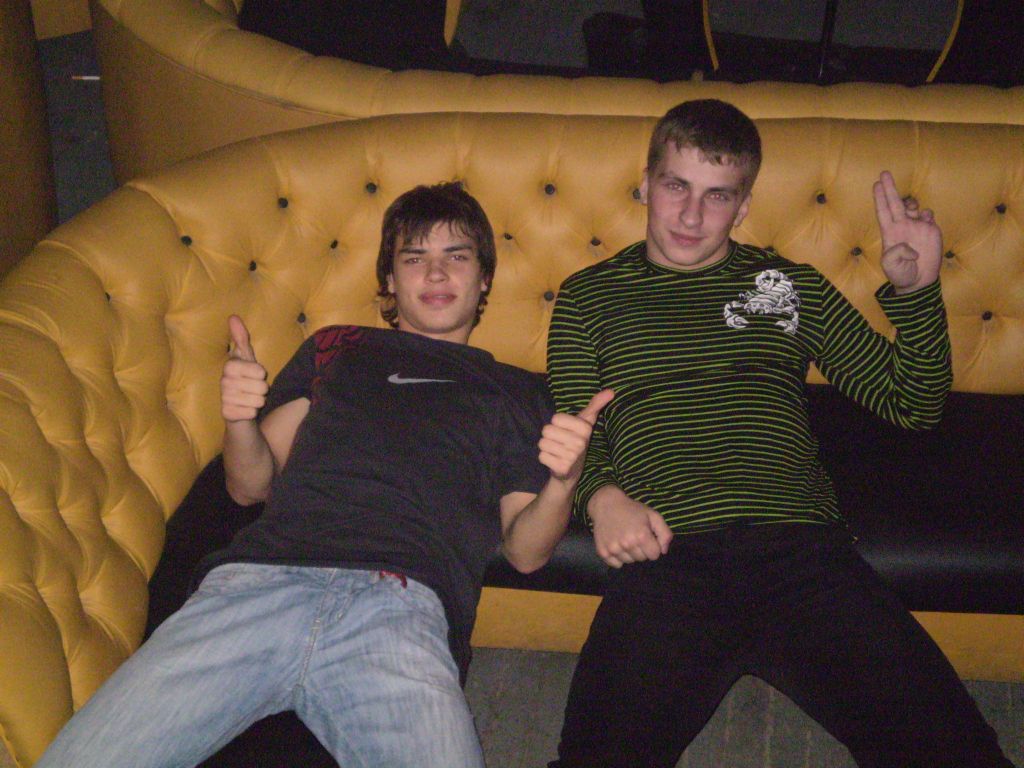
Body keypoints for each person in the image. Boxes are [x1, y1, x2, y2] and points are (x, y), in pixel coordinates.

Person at [36, 182, 611, 768]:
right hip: (257, 585)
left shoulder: (514, 390)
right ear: (389, 281)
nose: (436, 274)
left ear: (484, 278)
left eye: (456, 256)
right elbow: (248, 486)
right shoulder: (338, 347)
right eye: (414, 258)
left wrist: (564, 483)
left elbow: (526, 553)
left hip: (402, 608)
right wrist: (238, 420)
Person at [545, 99, 1014, 767]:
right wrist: (602, 498)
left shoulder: (787, 286)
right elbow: (574, 427)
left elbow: (912, 404)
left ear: (742, 207)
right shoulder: (588, 296)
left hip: (802, 554)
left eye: (717, 196)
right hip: (668, 558)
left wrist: (917, 290)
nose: (690, 215)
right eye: (676, 186)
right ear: (646, 184)